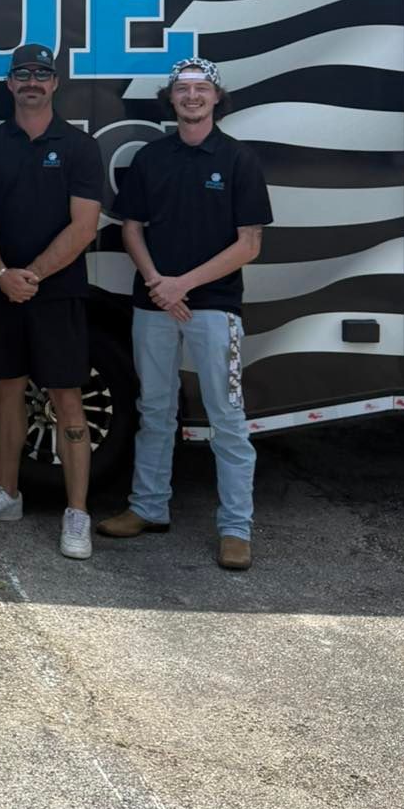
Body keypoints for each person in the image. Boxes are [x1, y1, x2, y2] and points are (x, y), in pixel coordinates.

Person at [98, 56, 272, 570]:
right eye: (182, 89)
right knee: (155, 411)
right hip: (154, 304)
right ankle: (148, 507)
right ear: (170, 99)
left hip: (214, 310)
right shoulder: (152, 158)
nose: (192, 96)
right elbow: (131, 228)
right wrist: (157, 284)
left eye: (201, 88)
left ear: (218, 98)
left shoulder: (240, 160)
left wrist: (183, 286)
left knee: (228, 419)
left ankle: (236, 529)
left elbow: (249, 244)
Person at [0, 42, 105, 559]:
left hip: (56, 291)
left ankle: (77, 512)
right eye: (23, 75)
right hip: (1, 291)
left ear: (55, 83)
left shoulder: (80, 147)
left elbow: (84, 226)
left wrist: (34, 274)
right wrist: (1, 273)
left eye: (42, 74)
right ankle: (8, 494)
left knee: (67, 399)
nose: (32, 83)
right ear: (9, 84)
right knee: (7, 393)